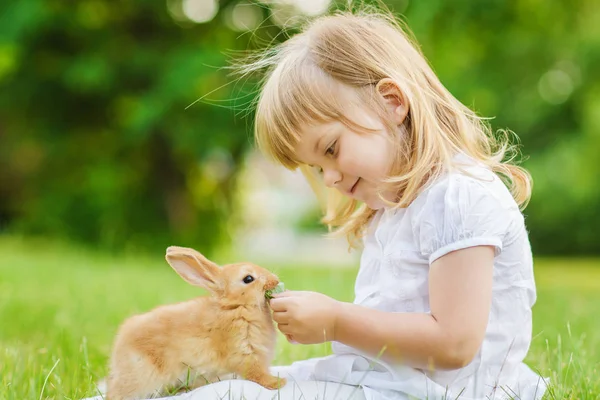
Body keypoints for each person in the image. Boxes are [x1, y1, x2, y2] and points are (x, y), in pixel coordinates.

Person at [85, 5, 547, 400]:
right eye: (316, 166)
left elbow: (453, 344)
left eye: (329, 150)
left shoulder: (458, 197)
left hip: (444, 392)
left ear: (391, 103)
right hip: (389, 382)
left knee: (240, 393)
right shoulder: (396, 208)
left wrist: (337, 321)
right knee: (246, 383)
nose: (329, 177)